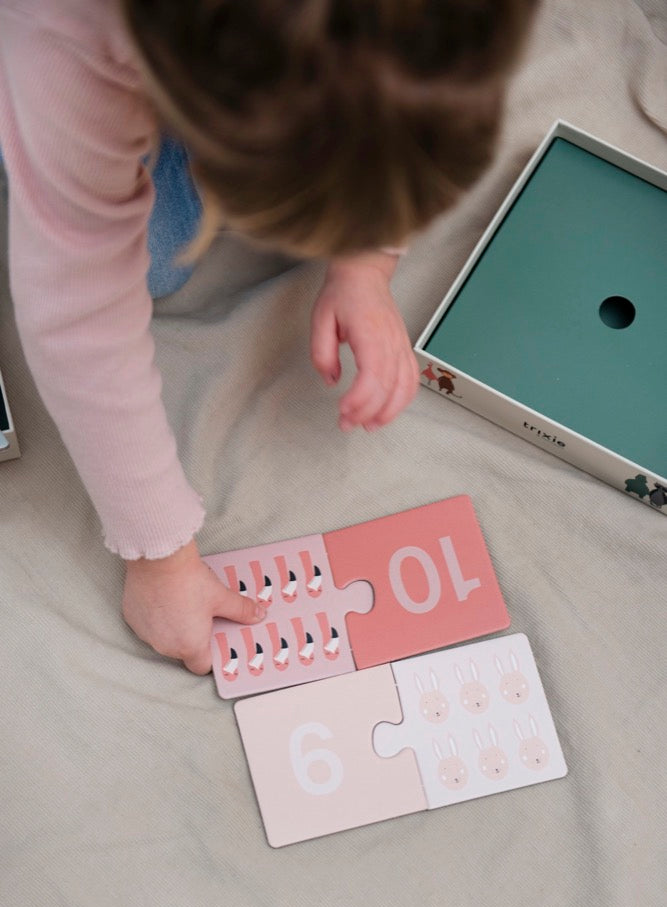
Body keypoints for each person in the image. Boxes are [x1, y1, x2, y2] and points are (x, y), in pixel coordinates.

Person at [0, 0, 537, 674]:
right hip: (62, 43)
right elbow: (76, 316)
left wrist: (367, 261)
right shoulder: (67, 37)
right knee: (156, 254)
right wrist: (159, 556)